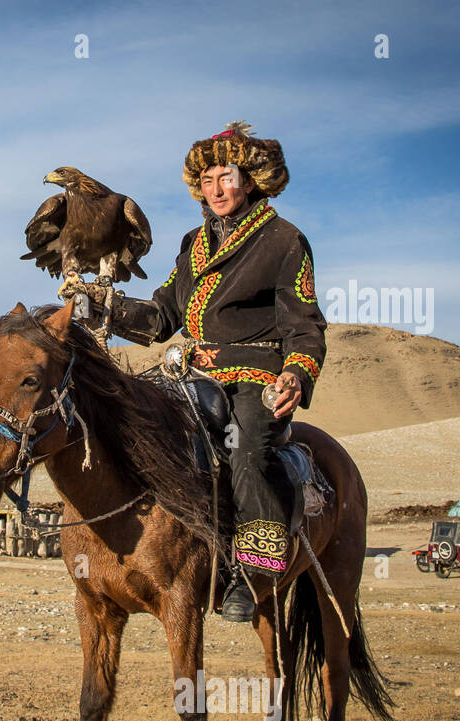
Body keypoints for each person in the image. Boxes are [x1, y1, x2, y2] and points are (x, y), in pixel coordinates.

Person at [97, 121, 327, 621]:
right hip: (191, 376)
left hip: (257, 376)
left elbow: (305, 325)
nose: (216, 189)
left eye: (226, 177)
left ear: (249, 180)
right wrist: (106, 307)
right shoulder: (191, 244)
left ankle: (253, 570)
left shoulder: (284, 240)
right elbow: (161, 317)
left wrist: (296, 375)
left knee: (245, 452)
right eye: (207, 181)